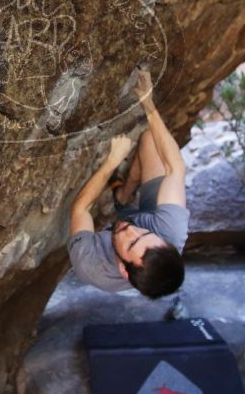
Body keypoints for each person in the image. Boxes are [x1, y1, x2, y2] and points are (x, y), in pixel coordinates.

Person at [67, 69, 190, 298]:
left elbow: (80, 209)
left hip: (131, 232)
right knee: (150, 139)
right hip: (153, 214)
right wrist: (147, 102)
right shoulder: (170, 232)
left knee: (120, 217)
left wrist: (111, 162)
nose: (131, 230)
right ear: (164, 242)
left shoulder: (91, 265)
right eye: (144, 234)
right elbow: (176, 167)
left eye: (132, 244)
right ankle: (124, 194)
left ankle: (122, 198)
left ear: (124, 269)